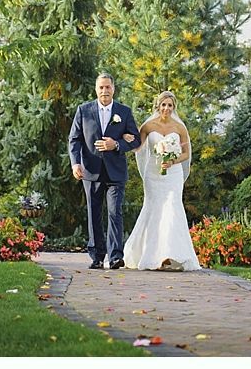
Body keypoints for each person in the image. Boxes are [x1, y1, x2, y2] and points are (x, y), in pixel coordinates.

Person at [67, 73, 141, 269]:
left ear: (113, 89)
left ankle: (116, 256)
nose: (104, 91)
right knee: (94, 214)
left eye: (108, 87)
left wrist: (115, 144)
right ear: (96, 89)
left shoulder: (123, 112)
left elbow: (136, 139)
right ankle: (97, 256)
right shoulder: (83, 110)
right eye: (101, 88)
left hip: (116, 172)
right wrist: (75, 163)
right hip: (90, 171)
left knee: (115, 212)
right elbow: (74, 139)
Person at [122, 90, 201, 271]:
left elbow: (186, 154)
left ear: (174, 108)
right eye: (163, 105)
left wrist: (173, 160)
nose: (166, 108)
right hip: (153, 174)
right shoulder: (148, 126)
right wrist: (126, 138)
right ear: (158, 106)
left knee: (172, 208)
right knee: (153, 208)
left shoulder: (180, 128)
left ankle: (171, 255)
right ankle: (150, 254)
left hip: (173, 175)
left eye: (170, 105)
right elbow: (138, 147)